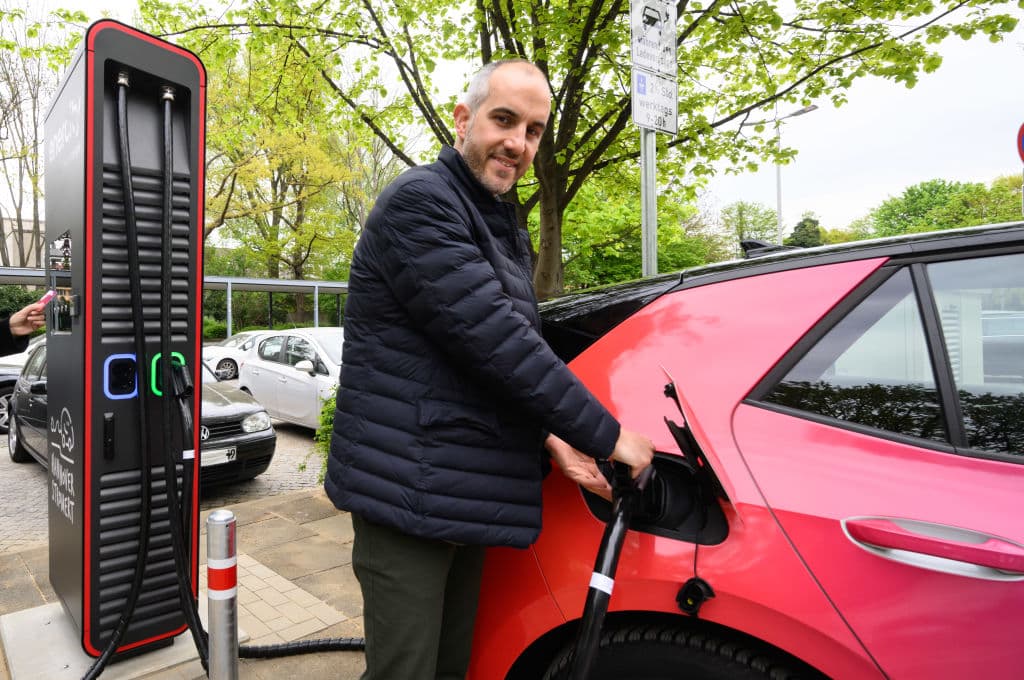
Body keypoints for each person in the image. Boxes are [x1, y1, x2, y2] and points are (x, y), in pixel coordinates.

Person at [324, 59, 655, 680]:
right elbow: (499, 342)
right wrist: (606, 436)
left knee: (451, 668)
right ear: (463, 119)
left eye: (533, 131)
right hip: (407, 490)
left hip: (456, 484)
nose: (518, 143)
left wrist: (552, 436)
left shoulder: (494, 221)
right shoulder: (421, 202)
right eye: (504, 119)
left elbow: (476, 362)